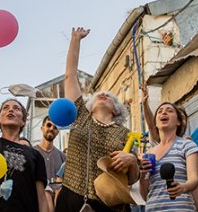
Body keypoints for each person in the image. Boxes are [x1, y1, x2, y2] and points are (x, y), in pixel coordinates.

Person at [55, 27, 139, 212]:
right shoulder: (80, 116)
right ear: (89, 106)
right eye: (98, 94)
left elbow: (133, 179)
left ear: (116, 109)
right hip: (72, 196)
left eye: (108, 96)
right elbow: (70, 76)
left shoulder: (125, 133)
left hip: (110, 202)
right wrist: (75, 39)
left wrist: (132, 161)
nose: (102, 95)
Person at [0, 39, 49, 212]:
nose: (10, 110)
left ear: (23, 120)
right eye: (5, 108)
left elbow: (40, 196)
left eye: (16, 108)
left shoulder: (34, 155)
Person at [139, 102, 198, 211]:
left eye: (169, 110)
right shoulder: (149, 154)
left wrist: (183, 187)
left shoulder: (187, 145)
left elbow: (194, 180)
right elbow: (145, 196)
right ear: (156, 124)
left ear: (178, 122)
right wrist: (143, 174)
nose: (164, 112)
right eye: (160, 111)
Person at [35, 117, 66, 208]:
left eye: (55, 127)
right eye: (49, 125)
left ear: (58, 132)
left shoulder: (63, 157)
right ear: (42, 128)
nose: (52, 128)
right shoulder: (32, 154)